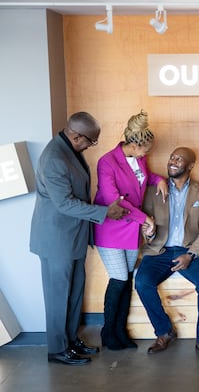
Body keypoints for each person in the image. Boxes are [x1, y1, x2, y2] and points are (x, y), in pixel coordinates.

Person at [29, 112, 128, 366]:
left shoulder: (69, 150)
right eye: (90, 142)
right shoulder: (54, 158)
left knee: (74, 294)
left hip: (73, 237)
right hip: (56, 239)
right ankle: (57, 350)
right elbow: (64, 203)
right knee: (57, 296)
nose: (91, 147)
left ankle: (71, 340)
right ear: (76, 136)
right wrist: (104, 213)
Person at [93, 110, 168, 350]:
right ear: (135, 144)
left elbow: (143, 178)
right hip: (112, 227)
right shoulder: (107, 162)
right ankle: (108, 333)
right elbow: (113, 200)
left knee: (126, 280)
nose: (148, 153)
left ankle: (120, 332)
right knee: (118, 280)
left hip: (130, 228)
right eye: (146, 149)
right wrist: (145, 217)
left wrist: (159, 180)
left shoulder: (140, 160)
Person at [135, 147, 199, 359]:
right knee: (142, 281)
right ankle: (164, 332)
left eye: (179, 159)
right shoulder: (154, 189)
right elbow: (145, 225)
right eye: (172, 157)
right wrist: (149, 233)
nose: (173, 161)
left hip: (190, 249)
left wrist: (191, 254)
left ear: (190, 166)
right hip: (159, 250)